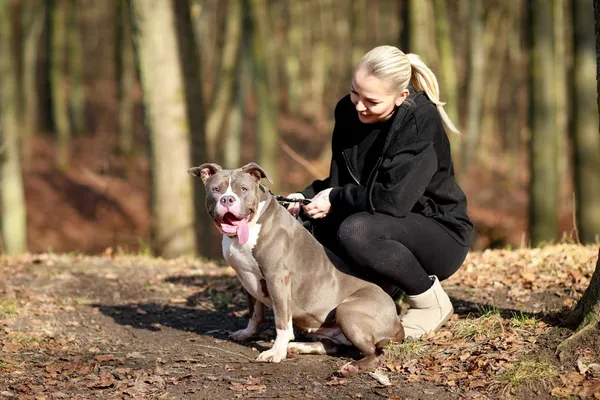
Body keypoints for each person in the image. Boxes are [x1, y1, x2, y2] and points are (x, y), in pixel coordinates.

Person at [284, 45, 473, 339]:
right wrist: (307, 195)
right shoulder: (348, 113)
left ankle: (429, 301)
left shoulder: (420, 120)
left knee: (356, 231)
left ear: (401, 97)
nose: (359, 105)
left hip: (438, 232)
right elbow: (344, 181)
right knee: (303, 225)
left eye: (372, 100)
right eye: (354, 92)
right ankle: (362, 299)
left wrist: (334, 198)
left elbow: (393, 200)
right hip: (380, 222)